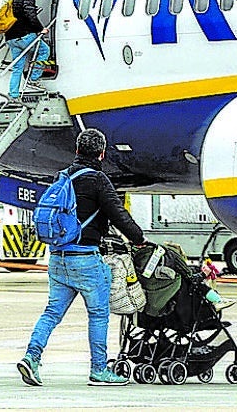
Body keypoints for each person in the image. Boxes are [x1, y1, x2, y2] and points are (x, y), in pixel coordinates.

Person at [16, 128, 144, 388]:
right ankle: (99, 369)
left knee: (52, 312)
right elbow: (119, 215)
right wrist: (138, 237)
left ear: (76, 151)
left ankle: (31, 357)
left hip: (57, 258)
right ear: (102, 153)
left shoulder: (62, 177)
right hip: (86, 259)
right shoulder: (98, 180)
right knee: (98, 314)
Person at [4, 0, 50, 99]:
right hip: (24, 36)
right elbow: (31, 16)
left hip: (11, 39)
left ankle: (13, 94)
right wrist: (41, 29)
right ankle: (33, 78)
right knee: (44, 50)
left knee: (17, 67)